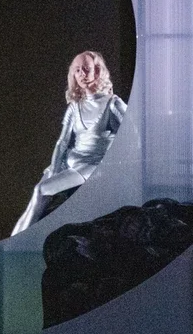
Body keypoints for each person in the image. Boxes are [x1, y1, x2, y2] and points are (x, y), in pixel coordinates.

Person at [11, 51, 128, 236]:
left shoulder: (113, 103)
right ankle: (17, 239)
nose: (81, 74)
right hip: (70, 162)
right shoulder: (75, 106)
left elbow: (131, 137)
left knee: (42, 190)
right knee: (38, 193)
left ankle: (18, 240)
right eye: (77, 70)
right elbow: (62, 142)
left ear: (97, 71)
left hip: (92, 166)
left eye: (86, 69)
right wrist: (54, 169)